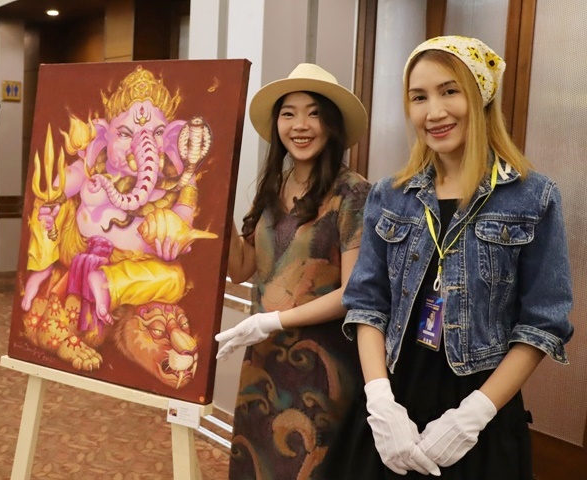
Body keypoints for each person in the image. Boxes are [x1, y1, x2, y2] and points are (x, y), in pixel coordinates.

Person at [321, 36, 574, 479]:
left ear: (481, 96)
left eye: (449, 91)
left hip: (480, 410)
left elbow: (543, 323)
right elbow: (366, 304)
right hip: (394, 400)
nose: (433, 112)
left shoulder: (533, 196)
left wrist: (475, 414)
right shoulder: (390, 195)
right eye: (419, 97)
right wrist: (379, 401)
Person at [214, 63, 371, 478]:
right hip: (262, 363)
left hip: (320, 370)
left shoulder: (353, 192)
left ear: (332, 125)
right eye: (289, 114)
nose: (300, 125)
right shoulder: (273, 186)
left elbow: (353, 293)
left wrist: (273, 320)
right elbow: (242, 268)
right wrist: (216, 197)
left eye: (314, 113)